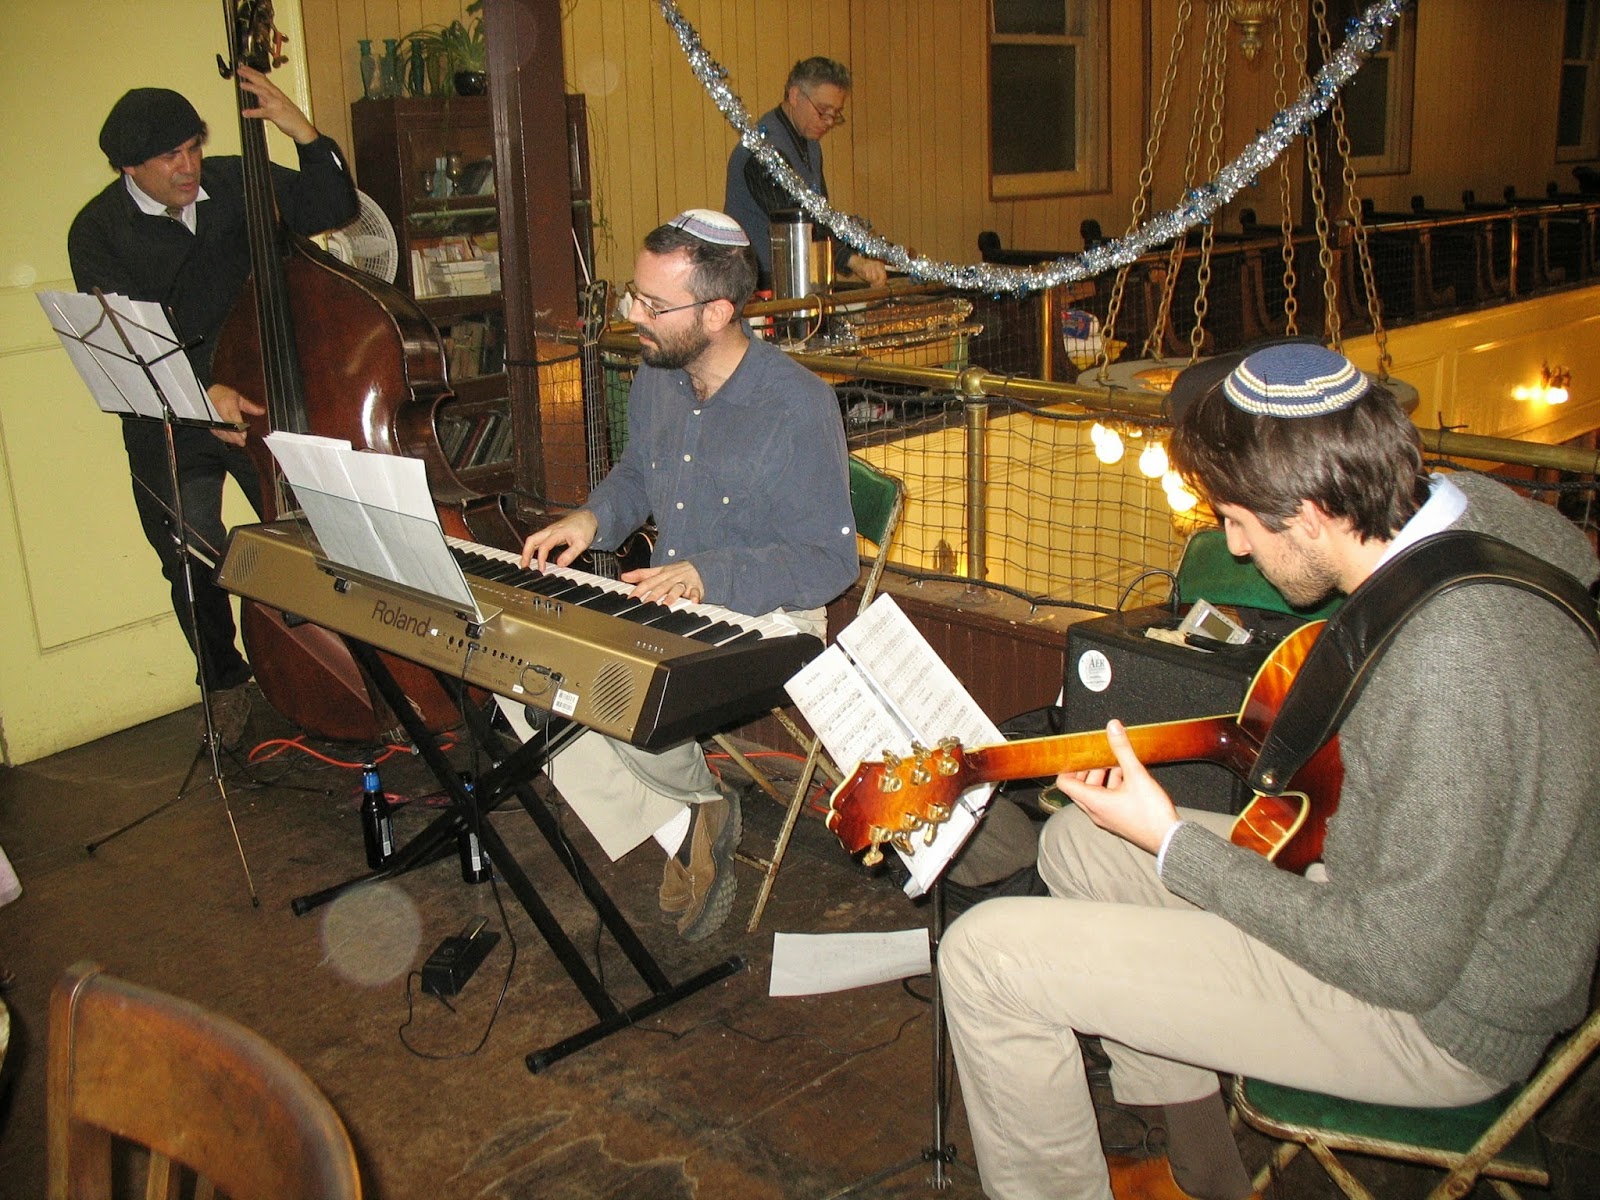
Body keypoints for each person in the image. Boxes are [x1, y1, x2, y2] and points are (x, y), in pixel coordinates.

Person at [938, 342, 1600, 1200]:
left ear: (1316, 510)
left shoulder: (1451, 661)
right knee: (1075, 844)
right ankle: (1202, 1172)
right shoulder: (1487, 514)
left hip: (1442, 1017)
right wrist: (1159, 838)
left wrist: (1175, 843)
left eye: (1238, 521)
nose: (1235, 549)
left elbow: (1396, 964)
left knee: (984, 956)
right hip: (1411, 912)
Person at [519, 209, 860, 940]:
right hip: (677, 609)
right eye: (633, 297)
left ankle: (685, 810)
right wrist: (591, 519)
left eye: (652, 305)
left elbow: (828, 563)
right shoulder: (657, 375)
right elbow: (639, 473)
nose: (633, 317)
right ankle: (690, 818)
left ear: (718, 312)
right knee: (526, 679)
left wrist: (709, 573)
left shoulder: (798, 403)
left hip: (772, 619)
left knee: (601, 681)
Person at [69, 73, 358, 750]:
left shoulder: (236, 183)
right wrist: (201, 395)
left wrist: (301, 131)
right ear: (127, 168)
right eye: (168, 157)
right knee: (190, 552)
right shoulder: (99, 231)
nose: (187, 166)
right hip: (168, 418)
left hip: (260, 398)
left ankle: (332, 673)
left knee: (313, 534)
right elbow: (128, 336)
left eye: (192, 146)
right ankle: (227, 684)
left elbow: (332, 203)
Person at [724, 57, 889, 291]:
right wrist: (853, 261)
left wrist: (862, 250)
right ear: (794, 96)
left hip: (795, 277)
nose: (829, 121)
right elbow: (797, 223)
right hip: (757, 284)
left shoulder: (811, 145)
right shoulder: (762, 150)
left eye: (836, 113)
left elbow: (822, 217)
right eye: (823, 111)